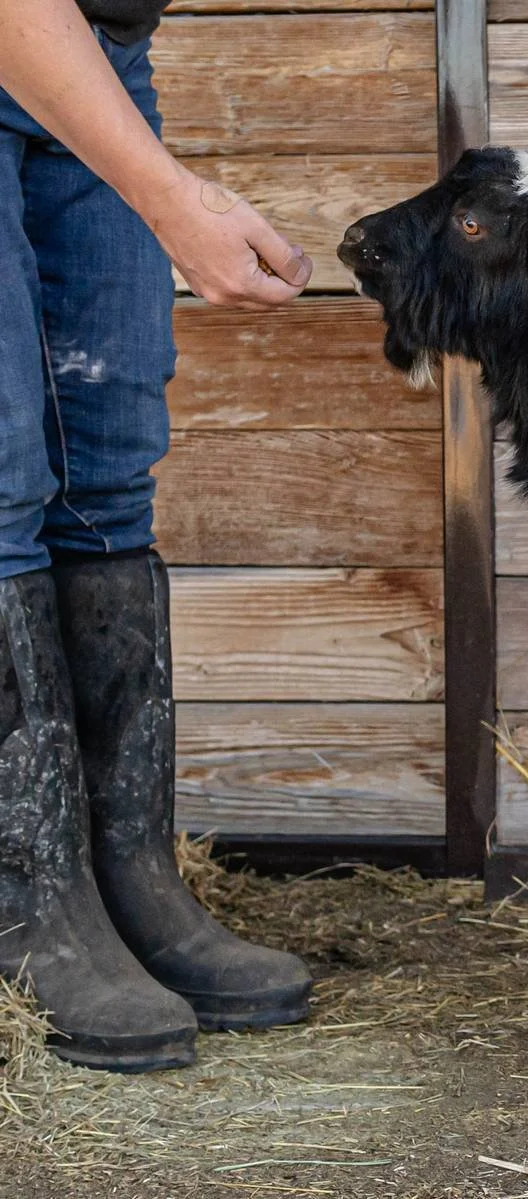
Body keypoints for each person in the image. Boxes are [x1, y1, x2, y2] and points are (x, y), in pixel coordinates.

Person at [0, 0, 315, 1073]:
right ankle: (30, 899)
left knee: (107, 464)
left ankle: (126, 870)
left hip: (99, 53)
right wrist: (175, 201)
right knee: (1, 481)